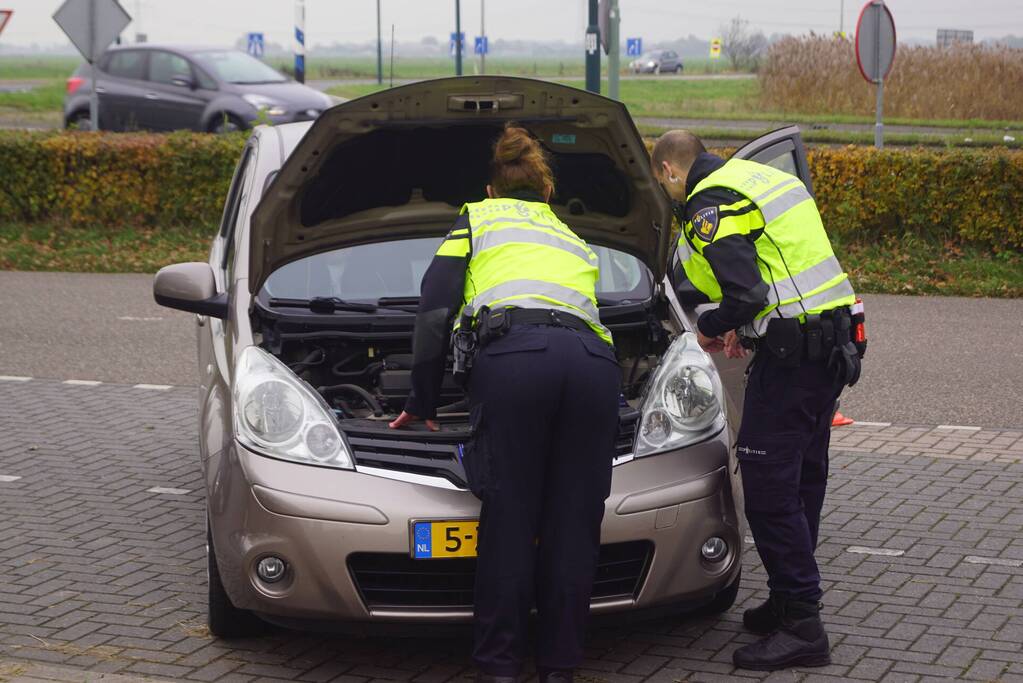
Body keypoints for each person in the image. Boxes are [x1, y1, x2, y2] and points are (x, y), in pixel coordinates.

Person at [389, 123, 622, 683]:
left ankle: (499, 668)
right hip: (594, 367)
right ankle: (560, 667)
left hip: (518, 361)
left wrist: (422, 400)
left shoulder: (477, 216)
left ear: (492, 190)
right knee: (573, 525)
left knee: (511, 521)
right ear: (546, 193)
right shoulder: (568, 233)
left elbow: (434, 308)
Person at [650, 130, 863, 671]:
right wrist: (746, 329)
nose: (670, 193)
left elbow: (747, 293)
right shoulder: (766, 179)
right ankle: (790, 600)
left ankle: (803, 627)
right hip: (832, 345)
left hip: (794, 360)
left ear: (671, 171)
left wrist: (712, 327)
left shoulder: (709, 202)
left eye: (663, 183)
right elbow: (779, 272)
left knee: (767, 489)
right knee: (803, 476)